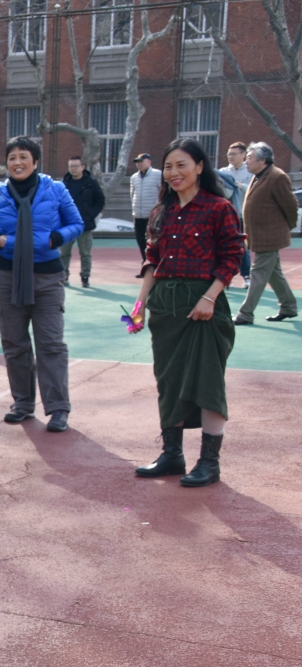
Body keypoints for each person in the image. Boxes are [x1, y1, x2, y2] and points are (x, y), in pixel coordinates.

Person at [131, 138, 242, 487]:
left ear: (199, 167)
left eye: (181, 165)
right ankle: (172, 455)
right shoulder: (161, 211)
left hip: (203, 305)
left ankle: (209, 463)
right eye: (168, 166)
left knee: (208, 382)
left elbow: (232, 256)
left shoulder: (218, 208)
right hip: (166, 305)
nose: (173, 172)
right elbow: (152, 259)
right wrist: (139, 306)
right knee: (169, 381)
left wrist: (209, 298)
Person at [0, 136, 84, 433]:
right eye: (12, 158)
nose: (17, 162)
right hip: (7, 278)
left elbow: (76, 223)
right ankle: (22, 403)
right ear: (6, 163)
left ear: (35, 161)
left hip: (47, 278)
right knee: (15, 344)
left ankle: (58, 408)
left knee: (50, 344)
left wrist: (56, 238)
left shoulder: (56, 190)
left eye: (23, 157)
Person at [233, 141, 298, 326]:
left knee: (258, 273)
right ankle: (288, 307)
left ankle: (246, 313)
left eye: (249, 158)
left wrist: (288, 226)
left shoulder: (277, 177)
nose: (246, 161)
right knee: (273, 273)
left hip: (270, 237)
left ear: (263, 160)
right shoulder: (259, 176)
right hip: (259, 235)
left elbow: (291, 206)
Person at [60, 156, 106, 288]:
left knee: (85, 253)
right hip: (67, 225)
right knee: (64, 253)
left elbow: (100, 200)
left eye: (75, 166)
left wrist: (90, 215)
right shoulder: (63, 184)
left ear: (82, 167)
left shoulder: (91, 183)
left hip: (84, 225)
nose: (73, 169)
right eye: (70, 166)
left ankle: (85, 277)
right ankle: (63, 275)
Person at [219, 142, 253, 287]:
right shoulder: (223, 172)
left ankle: (246, 276)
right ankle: (227, 276)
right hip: (226, 215)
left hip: (243, 215)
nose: (230, 157)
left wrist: (241, 186)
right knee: (225, 246)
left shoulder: (250, 171)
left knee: (243, 246)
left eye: (234, 154)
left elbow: (256, 190)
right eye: (229, 154)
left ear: (243, 155)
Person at [131, 153, 161, 267]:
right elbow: (132, 195)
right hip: (138, 215)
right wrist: (134, 212)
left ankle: (155, 264)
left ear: (149, 162)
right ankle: (145, 264)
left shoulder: (158, 175)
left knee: (153, 241)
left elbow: (163, 193)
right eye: (137, 162)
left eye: (141, 161)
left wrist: (159, 210)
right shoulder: (134, 177)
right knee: (140, 240)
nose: (139, 164)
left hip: (153, 216)